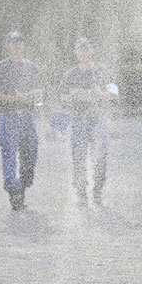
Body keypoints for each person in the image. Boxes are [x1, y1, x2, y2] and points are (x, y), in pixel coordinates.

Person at [51, 37, 118, 207]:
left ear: (92, 51)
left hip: (97, 121)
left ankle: (97, 191)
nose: (83, 53)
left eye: (86, 49)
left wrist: (100, 94)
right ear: (76, 52)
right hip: (78, 121)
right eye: (80, 49)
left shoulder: (103, 71)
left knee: (100, 157)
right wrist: (71, 97)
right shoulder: (70, 74)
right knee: (79, 158)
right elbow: (61, 97)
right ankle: (81, 193)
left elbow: (114, 93)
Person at [0, 31, 42, 211]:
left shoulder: (32, 68)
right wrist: (14, 98)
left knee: (31, 154)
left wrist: (34, 99)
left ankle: (23, 186)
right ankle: (14, 193)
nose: (17, 46)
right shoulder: (0, 68)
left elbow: (40, 96)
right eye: (13, 43)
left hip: (27, 117)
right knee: (9, 155)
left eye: (20, 42)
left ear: (24, 45)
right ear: (8, 46)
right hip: (8, 116)